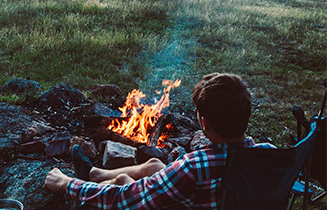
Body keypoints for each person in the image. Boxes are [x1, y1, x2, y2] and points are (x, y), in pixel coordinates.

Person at [44, 73, 275, 209]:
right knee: (154, 165)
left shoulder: (194, 168)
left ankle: (92, 180)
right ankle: (96, 173)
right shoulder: (269, 155)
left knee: (123, 182)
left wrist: (65, 184)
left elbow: (123, 200)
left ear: (204, 123)